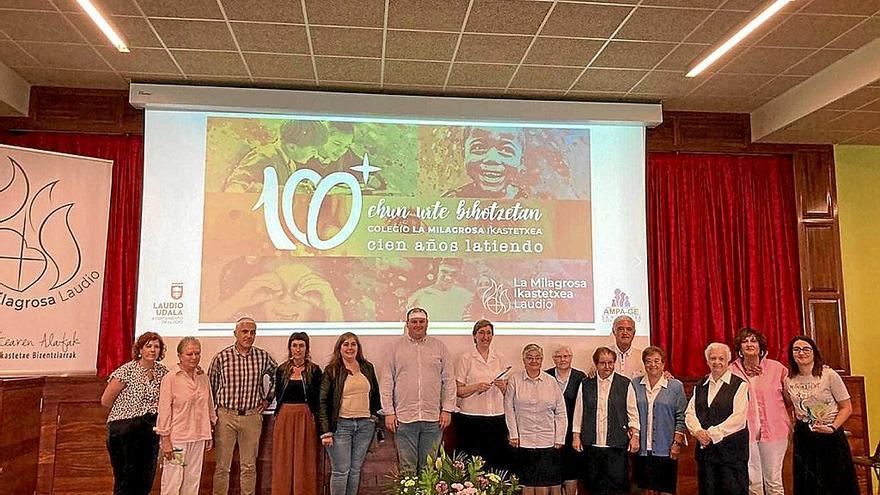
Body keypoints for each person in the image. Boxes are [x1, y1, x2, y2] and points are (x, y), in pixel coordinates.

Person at [380, 307, 456, 473]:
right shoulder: (394, 348)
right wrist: (389, 412)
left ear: (427, 324)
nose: (418, 325)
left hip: (433, 419)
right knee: (407, 469)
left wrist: (448, 409)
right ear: (407, 324)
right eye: (414, 322)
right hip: (404, 418)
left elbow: (449, 381)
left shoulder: (440, 347)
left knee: (428, 469)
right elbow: (387, 381)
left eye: (421, 322)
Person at [209, 316, 278, 495]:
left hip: (252, 417)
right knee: (222, 466)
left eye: (252, 332)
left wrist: (269, 399)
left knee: (249, 466)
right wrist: (212, 415)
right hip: (226, 416)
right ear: (235, 334)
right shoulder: (222, 357)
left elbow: (280, 376)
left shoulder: (262, 356)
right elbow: (211, 386)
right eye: (244, 332)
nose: (248, 336)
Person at [784, 336, 858, 495]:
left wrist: (832, 427)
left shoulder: (829, 375)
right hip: (805, 436)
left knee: (835, 482)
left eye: (806, 349)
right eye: (796, 349)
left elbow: (847, 407)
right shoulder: (788, 380)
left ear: (814, 352)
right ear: (791, 354)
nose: (801, 353)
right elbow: (789, 405)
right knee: (808, 483)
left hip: (830, 433)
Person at [101, 332, 169, 495]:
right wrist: (128, 412)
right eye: (148, 346)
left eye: (156, 347)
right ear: (139, 349)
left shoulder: (163, 372)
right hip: (124, 430)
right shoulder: (127, 370)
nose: (153, 350)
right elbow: (106, 400)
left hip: (150, 431)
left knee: (146, 477)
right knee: (125, 479)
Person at [728, 327, 790, 495]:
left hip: (775, 432)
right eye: (745, 341)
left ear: (760, 346)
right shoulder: (730, 371)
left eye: (753, 340)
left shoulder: (777, 368)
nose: (749, 344)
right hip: (744, 434)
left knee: (774, 481)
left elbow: (794, 394)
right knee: (753, 483)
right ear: (739, 348)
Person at [319, 332, 382, 495]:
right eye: (345, 344)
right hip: (341, 426)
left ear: (358, 348)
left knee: (355, 470)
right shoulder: (332, 370)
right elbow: (323, 401)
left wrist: (374, 418)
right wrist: (326, 431)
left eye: (353, 344)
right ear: (339, 348)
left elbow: (375, 395)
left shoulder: (367, 367)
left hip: (365, 426)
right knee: (341, 471)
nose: (349, 348)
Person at [572, 347, 640, 495]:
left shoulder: (625, 383)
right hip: (592, 445)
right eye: (603, 363)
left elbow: (632, 412)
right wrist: (576, 436)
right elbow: (579, 411)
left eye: (610, 363)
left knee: (617, 487)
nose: (607, 366)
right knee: (592, 486)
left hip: (616, 446)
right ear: (596, 364)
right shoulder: (586, 384)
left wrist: (635, 436)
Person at [685, 342, 748, 495]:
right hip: (706, 455)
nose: (717, 362)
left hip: (732, 455)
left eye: (721, 358)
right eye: (713, 358)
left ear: (728, 361)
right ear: (707, 361)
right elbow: (690, 413)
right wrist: (698, 431)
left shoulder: (740, 385)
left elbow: (739, 419)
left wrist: (711, 435)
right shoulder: (700, 386)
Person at [504, 343, 567, 495]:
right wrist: (513, 434)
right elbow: (509, 409)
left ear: (542, 360)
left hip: (548, 440)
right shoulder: (515, 380)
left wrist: (560, 437)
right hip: (523, 440)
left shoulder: (551, 381)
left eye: (538, 358)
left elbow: (561, 411)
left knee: (543, 484)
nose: (534, 361)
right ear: (524, 360)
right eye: (530, 358)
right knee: (526, 482)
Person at [157, 337, 217, 495]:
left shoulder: (203, 377)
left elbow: (208, 405)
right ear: (179, 355)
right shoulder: (170, 378)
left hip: (198, 438)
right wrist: (165, 440)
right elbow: (164, 411)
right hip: (177, 440)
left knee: (192, 481)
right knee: (173, 480)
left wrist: (209, 431)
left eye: (197, 353)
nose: (194, 357)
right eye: (189, 354)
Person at [454, 319, 512, 471]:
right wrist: (475, 387)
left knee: (496, 462)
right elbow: (458, 391)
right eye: (481, 333)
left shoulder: (500, 357)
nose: (485, 336)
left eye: (488, 333)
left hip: (497, 417)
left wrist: (503, 387)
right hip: (471, 418)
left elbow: (507, 392)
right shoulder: (465, 358)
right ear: (474, 336)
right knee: (472, 464)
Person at [632, 346, 687, 495]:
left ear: (663, 364)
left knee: (665, 490)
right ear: (644, 364)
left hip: (666, 449)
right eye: (648, 361)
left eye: (657, 361)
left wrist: (676, 444)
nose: (652, 364)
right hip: (643, 449)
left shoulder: (675, 386)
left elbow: (681, 417)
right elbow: (631, 413)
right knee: (646, 490)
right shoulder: (635, 384)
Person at [272, 332, 322, 495]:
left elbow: (318, 398)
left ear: (307, 348)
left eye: (301, 345)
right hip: (285, 416)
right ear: (290, 348)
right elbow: (278, 394)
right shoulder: (282, 370)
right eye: (294, 345)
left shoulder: (314, 371)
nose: (298, 349)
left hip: (306, 417)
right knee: (282, 459)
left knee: (304, 459)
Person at [545, 345, 586, 495]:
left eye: (566, 356)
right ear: (553, 359)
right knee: (554, 469)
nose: (563, 359)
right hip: (549, 432)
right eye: (559, 356)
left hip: (572, 433)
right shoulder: (546, 376)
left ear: (571, 358)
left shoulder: (581, 377)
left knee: (571, 469)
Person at [444, 126, 527, 199]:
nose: (492, 159)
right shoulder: (450, 201)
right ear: (464, 154)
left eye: (506, 150)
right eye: (478, 147)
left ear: (521, 160)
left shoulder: (527, 202)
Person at [408, 259, 474, 321]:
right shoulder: (419, 296)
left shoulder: (466, 296)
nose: (448, 277)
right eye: (444, 272)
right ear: (437, 271)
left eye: (453, 274)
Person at [587, 315, 645, 379]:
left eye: (629, 329)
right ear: (614, 331)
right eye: (621, 329)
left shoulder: (642, 356)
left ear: (634, 333)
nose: (625, 332)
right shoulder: (603, 356)